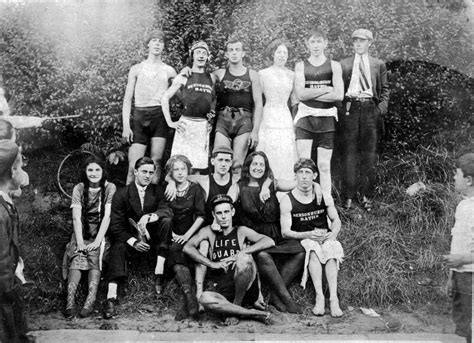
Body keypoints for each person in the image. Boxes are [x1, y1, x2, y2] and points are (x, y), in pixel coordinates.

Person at [227, 151, 304, 313]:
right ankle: (286, 298)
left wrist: (316, 187)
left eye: (262, 164)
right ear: (248, 166)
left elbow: (298, 183)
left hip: (276, 233)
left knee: (300, 252)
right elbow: (227, 202)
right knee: (263, 256)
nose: (258, 167)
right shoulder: (239, 186)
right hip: (256, 236)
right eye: (255, 164)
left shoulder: (272, 184)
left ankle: (276, 296)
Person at [183, 194, 274, 325]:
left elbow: (268, 240)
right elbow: (187, 247)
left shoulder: (241, 231)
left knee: (244, 258)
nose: (224, 216)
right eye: (219, 213)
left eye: (226, 212)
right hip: (224, 289)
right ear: (214, 215)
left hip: (245, 285)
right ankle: (253, 313)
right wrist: (212, 264)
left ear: (232, 212)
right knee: (204, 298)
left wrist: (240, 253)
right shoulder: (209, 231)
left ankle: (235, 307)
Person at [179, 37, 263, 178]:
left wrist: (255, 131)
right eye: (231, 50)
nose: (234, 53)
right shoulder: (219, 74)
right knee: (219, 159)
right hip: (223, 119)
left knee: (237, 164)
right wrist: (187, 69)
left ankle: (234, 198)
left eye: (237, 50)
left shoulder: (253, 75)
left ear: (243, 53)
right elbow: (199, 80)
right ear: (226, 54)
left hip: (244, 121)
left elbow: (259, 104)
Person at [164, 146, 235, 306]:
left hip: (227, 226)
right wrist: (170, 182)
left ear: (231, 163)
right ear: (212, 161)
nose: (223, 164)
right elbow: (180, 174)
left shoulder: (235, 180)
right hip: (208, 227)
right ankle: (198, 292)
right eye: (220, 160)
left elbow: (262, 177)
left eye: (227, 160)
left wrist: (265, 184)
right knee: (202, 246)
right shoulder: (203, 179)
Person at [103, 157, 172, 319]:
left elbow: (167, 211)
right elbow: (116, 226)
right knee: (117, 247)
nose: (147, 176)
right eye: (144, 172)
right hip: (131, 241)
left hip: (154, 242)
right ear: (135, 172)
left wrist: (150, 216)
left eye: (150, 172)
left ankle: (159, 273)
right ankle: (111, 297)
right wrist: (133, 242)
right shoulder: (122, 194)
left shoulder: (157, 190)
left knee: (167, 222)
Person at [280, 158, 344, 317]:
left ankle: (334, 299)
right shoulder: (288, 200)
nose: (303, 177)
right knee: (313, 250)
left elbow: (336, 220)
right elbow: (285, 231)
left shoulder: (323, 195)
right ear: (295, 176)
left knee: (331, 250)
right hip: (305, 237)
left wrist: (333, 234)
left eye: (307, 172)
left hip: (324, 234)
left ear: (314, 175)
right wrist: (306, 234)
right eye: (300, 172)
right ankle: (319, 297)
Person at [338, 29, 389, 211]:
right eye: (355, 41)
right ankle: (348, 197)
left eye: (362, 41)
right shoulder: (343, 64)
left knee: (369, 156)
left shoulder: (378, 64)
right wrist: (342, 110)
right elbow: (338, 92)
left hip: (370, 110)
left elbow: (385, 91)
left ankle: (367, 196)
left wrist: (379, 111)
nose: (358, 44)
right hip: (350, 109)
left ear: (370, 43)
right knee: (349, 154)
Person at [62, 157, 116, 318]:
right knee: (77, 254)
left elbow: (107, 217)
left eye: (97, 170)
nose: (93, 173)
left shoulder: (109, 187)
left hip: (101, 232)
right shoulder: (79, 188)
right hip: (82, 231)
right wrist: (79, 242)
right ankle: (70, 301)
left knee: (95, 255)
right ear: (85, 172)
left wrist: (98, 241)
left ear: (103, 171)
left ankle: (90, 300)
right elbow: (76, 218)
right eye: (90, 170)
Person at [122, 30, 177, 184]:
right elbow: (127, 99)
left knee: (156, 161)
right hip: (140, 116)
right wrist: (126, 126)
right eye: (154, 40)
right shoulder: (137, 69)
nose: (157, 44)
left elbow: (182, 91)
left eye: (160, 41)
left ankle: (151, 203)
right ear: (148, 44)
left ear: (164, 45)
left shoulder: (169, 70)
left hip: (159, 117)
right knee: (134, 166)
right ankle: (129, 205)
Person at [294, 28, 344, 199]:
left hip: (326, 119)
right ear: (307, 44)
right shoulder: (301, 66)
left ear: (325, 43)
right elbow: (301, 95)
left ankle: (325, 204)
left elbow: (338, 95)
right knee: (304, 165)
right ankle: (303, 202)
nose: (316, 45)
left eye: (319, 41)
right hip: (305, 119)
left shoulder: (334, 65)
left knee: (323, 165)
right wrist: (324, 88)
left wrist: (312, 91)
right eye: (312, 42)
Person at [161, 41, 216, 173]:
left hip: (202, 126)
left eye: (204, 53)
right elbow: (164, 97)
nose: (201, 56)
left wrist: (211, 120)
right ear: (192, 55)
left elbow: (213, 99)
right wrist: (170, 122)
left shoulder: (212, 78)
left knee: (197, 169)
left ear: (208, 56)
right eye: (198, 52)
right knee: (179, 166)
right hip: (186, 125)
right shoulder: (185, 76)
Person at [164, 155, 206, 320]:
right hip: (172, 233)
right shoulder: (168, 188)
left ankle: (186, 300)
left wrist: (187, 235)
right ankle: (189, 296)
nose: (180, 173)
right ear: (171, 172)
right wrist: (173, 234)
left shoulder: (195, 189)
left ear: (188, 170)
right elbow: (164, 212)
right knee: (175, 250)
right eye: (176, 169)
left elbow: (201, 216)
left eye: (183, 169)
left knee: (183, 251)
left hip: (192, 232)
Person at [0, 140, 30, 342]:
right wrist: (8, 289)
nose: (24, 171)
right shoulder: (0, 213)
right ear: (12, 171)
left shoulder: (6, 203)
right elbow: (1, 257)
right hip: (4, 288)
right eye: (20, 166)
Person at [442, 153, 474, 343]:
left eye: (457, 174)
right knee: (464, 326)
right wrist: (451, 276)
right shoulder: (462, 206)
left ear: (468, 180)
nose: (454, 178)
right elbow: (458, 244)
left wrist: (463, 260)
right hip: (460, 277)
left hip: (472, 277)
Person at [257, 39, 298, 180]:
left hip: (284, 115)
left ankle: (285, 184)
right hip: (268, 114)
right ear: (272, 54)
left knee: (285, 149)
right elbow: (257, 101)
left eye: (284, 53)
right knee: (269, 147)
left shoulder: (292, 75)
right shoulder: (263, 74)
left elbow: (294, 101)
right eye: (278, 52)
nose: (281, 55)